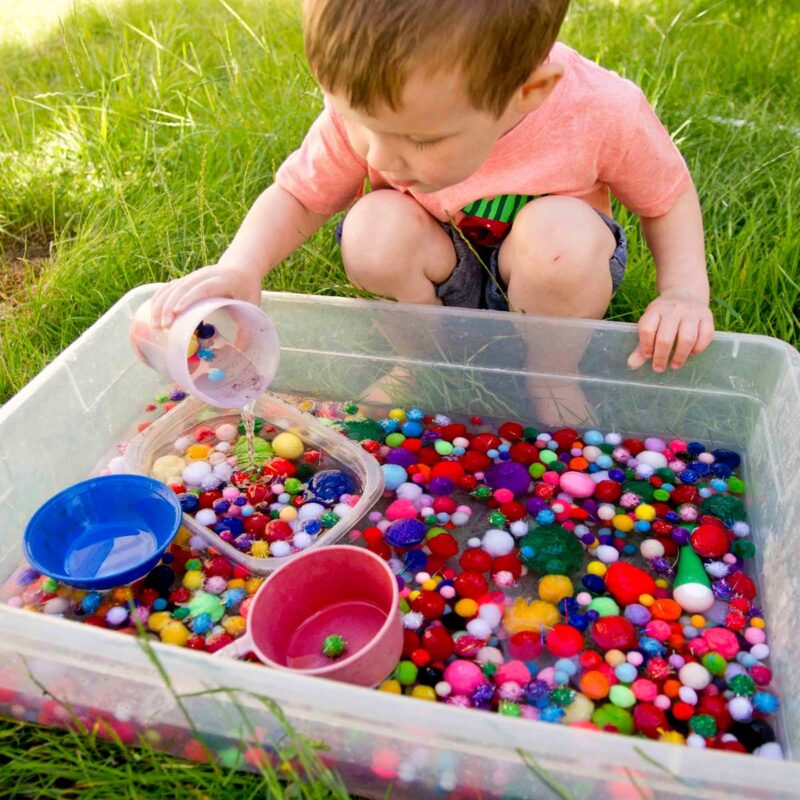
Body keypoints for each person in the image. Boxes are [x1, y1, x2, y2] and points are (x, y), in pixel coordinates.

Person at [151, 0, 713, 375]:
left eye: (420, 139)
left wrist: (684, 291)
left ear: (527, 92)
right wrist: (243, 265)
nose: (381, 156)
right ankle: (423, 360)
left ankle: (552, 375)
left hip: (557, 276)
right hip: (442, 264)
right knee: (373, 227)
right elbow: (301, 194)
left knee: (559, 241)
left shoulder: (598, 110)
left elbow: (666, 196)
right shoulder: (384, 115)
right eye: (363, 125)